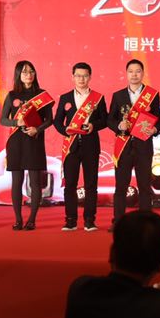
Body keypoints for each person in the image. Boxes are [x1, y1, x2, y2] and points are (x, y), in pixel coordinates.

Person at [107, 60, 160, 231]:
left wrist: (155, 129)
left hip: (143, 146)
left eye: (138, 71)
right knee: (121, 186)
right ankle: (118, 221)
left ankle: (146, 221)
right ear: (126, 74)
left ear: (142, 73)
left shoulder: (151, 95)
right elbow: (110, 119)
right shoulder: (118, 95)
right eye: (131, 71)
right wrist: (119, 125)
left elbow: (159, 119)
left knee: (144, 186)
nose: (134, 74)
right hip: (123, 146)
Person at [0, 60, 54, 231]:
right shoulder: (12, 95)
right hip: (16, 141)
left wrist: (37, 129)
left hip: (34, 140)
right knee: (17, 181)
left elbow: (49, 120)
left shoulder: (42, 95)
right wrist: (17, 122)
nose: (28, 75)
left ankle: (32, 220)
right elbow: (3, 119)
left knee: (35, 181)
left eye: (31, 71)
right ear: (18, 75)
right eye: (24, 72)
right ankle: (18, 219)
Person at [53, 62, 107, 231]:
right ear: (73, 77)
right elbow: (57, 121)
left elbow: (105, 119)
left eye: (84, 76)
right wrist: (65, 130)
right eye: (78, 76)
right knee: (70, 184)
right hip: (71, 146)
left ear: (90, 77)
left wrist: (93, 126)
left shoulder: (98, 98)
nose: (81, 79)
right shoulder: (65, 98)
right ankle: (71, 220)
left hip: (91, 145)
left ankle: (90, 220)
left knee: (91, 184)